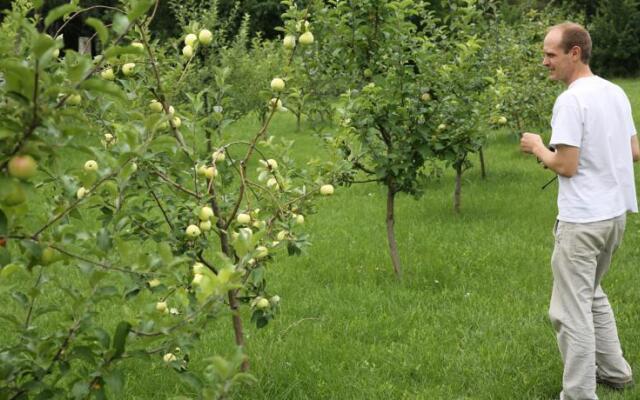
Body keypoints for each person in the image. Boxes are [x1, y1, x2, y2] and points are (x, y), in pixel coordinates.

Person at [520, 22, 640, 400]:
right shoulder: (615, 92)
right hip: (614, 216)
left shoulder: (571, 100)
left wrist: (538, 147)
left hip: (583, 220)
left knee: (569, 312)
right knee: (589, 294)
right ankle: (616, 373)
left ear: (575, 53)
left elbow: (566, 165)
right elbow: (634, 151)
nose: (544, 62)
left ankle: (578, 394)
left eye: (550, 54)